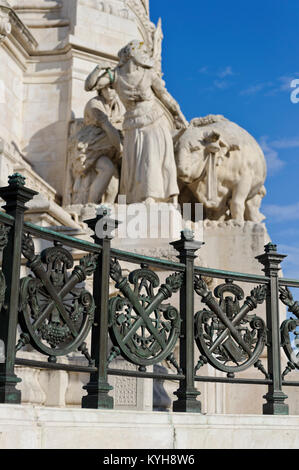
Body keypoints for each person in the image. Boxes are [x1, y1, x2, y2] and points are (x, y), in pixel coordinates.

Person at [90, 40, 188, 204]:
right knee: (135, 163)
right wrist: (98, 68)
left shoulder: (148, 73)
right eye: (142, 53)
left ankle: (152, 196)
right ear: (132, 56)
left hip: (153, 121)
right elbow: (90, 85)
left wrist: (179, 114)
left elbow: (165, 96)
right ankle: (136, 198)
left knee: (152, 158)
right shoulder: (116, 75)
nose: (145, 57)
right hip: (131, 124)